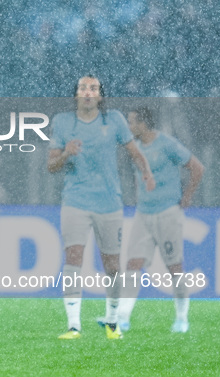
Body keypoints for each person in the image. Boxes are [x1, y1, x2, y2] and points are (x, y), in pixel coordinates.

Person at [47, 74, 155, 340]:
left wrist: (147, 174)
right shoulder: (63, 122)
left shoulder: (114, 120)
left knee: (112, 264)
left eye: (93, 88)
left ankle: (112, 320)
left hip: (109, 202)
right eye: (83, 88)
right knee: (73, 257)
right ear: (76, 94)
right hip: (75, 200)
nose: (87, 92)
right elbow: (50, 166)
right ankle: (74, 325)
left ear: (100, 96)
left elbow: (134, 152)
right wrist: (65, 153)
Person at [118, 107, 204, 333]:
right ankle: (123, 317)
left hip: (167, 212)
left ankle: (182, 318)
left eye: (132, 122)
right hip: (143, 213)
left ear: (143, 124)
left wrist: (187, 196)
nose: (129, 126)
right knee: (133, 264)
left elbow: (197, 167)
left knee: (174, 267)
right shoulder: (134, 148)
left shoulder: (166, 144)